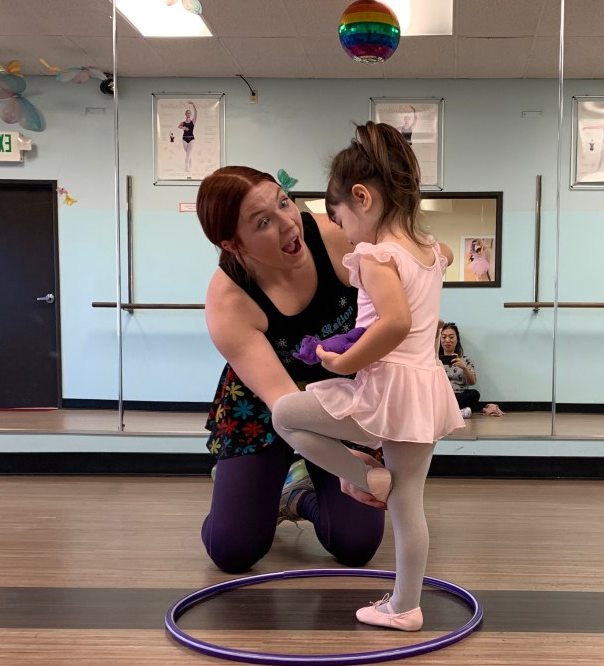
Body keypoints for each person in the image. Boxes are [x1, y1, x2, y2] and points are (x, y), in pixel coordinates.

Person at [272, 122, 464, 632]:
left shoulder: (376, 256)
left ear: (362, 198)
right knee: (408, 503)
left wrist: (343, 362)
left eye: (340, 219)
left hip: (387, 391)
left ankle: (363, 477)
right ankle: (405, 606)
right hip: (423, 390)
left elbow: (395, 322)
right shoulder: (430, 250)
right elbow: (440, 260)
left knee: (286, 415)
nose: (344, 232)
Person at [198, 166, 385, 574]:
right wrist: (344, 459)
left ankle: (296, 497)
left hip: (340, 391)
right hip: (265, 402)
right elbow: (286, 405)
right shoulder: (229, 300)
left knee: (356, 543)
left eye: (284, 203)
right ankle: (265, 492)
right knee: (233, 550)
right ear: (233, 244)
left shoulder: (333, 236)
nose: (288, 224)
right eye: (263, 222)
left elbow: (398, 284)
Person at [438, 322, 504, 418]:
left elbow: (472, 382)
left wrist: (464, 368)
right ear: (439, 339)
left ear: (457, 339)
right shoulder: (434, 360)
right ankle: (457, 412)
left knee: (474, 394)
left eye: (451, 337)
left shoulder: (466, 360)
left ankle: (447, 412)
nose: (447, 340)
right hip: (441, 394)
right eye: (444, 337)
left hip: (459, 395)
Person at [178, 102, 197, 174]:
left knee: (188, 153)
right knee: (188, 153)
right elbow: (178, 126)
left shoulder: (193, 121)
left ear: (191, 114)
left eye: (189, 113)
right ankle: (190, 164)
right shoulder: (183, 122)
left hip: (191, 139)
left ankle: (186, 166)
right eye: (187, 113)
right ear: (185, 114)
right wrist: (184, 128)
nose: (188, 114)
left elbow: (196, 112)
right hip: (184, 139)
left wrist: (193, 104)